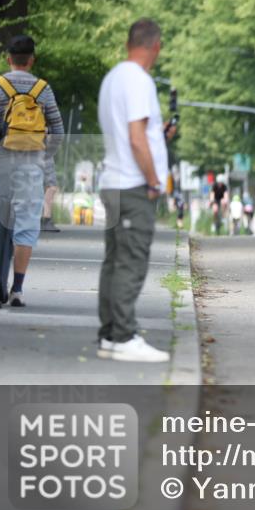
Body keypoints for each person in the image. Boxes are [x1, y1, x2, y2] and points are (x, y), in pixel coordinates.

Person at [96, 18, 175, 362]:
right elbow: (136, 136)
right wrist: (154, 180)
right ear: (155, 45)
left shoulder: (113, 78)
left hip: (113, 182)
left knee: (114, 261)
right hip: (132, 185)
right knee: (131, 262)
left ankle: (111, 334)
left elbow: (137, 132)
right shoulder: (140, 81)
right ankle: (125, 336)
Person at [0, 35, 65, 307]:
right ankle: (17, 289)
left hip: (0, 165)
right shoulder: (43, 89)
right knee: (26, 227)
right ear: (32, 60)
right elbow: (59, 132)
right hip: (31, 166)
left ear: (8, 59)